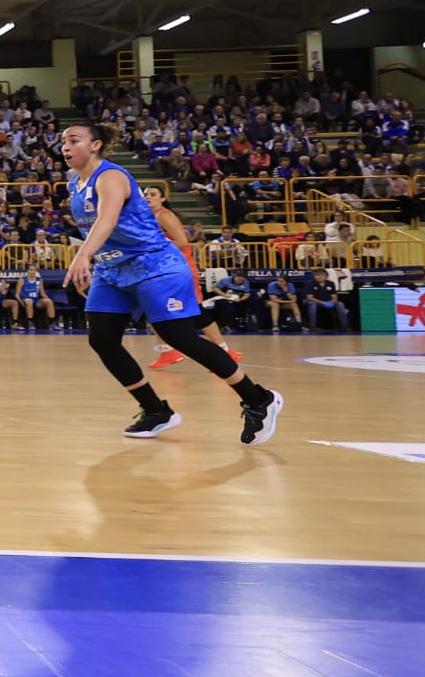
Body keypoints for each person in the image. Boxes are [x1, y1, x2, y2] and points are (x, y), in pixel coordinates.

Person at [61, 123, 283, 444]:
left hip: (154, 265)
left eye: (73, 140)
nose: (65, 147)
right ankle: (155, 411)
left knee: (179, 337)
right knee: (102, 339)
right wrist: (96, 260)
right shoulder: (74, 184)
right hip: (113, 271)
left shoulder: (111, 176)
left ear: (95, 145)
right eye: (63, 142)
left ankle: (258, 399)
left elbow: (107, 220)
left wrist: (83, 255)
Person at [140, 185, 240, 369]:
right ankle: (167, 351)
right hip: (164, 269)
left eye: (153, 194)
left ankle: (225, 351)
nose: (148, 197)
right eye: (145, 194)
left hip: (182, 268)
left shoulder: (164, 215)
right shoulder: (148, 216)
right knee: (153, 306)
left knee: (196, 310)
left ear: (162, 199)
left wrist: (153, 248)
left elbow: (182, 242)